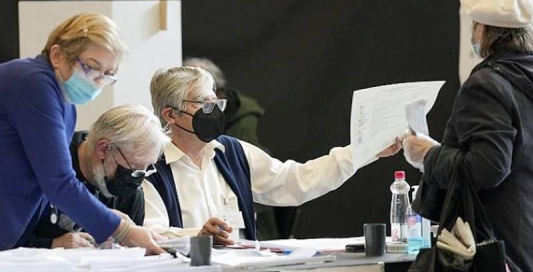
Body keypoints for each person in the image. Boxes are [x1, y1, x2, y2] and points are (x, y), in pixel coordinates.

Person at [402, 0, 533, 272]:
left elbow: (486, 168)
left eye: (475, 25)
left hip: (503, 256)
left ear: (485, 31)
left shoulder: (487, 84)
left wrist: (428, 154)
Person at [143, 66, 401, 245]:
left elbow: (297, 181)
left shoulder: (233, 153)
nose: (215, 112)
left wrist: (363, 151)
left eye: (217, 104)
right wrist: (196, 237)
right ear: (170, 115)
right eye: (205, 105)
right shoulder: (150, 166)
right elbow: (149, 234)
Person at [0, 13, 165, 254]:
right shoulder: (33, 84)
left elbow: (46, 187)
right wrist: (122, 231)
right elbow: (58, 182)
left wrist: (103, 218)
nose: (98, 82)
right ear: (57, 55)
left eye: (107, 75)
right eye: (92, 68)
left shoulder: (64, 104)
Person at [24, 104, 168, 249]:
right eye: (135, 166)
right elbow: (6, 234)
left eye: (147, 168)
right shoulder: (49, 165)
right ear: (103, 148)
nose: (137, 179)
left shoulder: (130, 192)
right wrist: (51, 245)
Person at [182, 57, 283, 240]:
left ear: (218, 92)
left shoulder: (248, 125)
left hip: (254, 231)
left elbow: (276, 181)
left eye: (199, 98)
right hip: (207, 233)